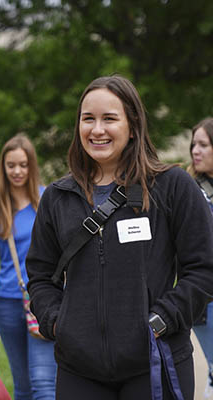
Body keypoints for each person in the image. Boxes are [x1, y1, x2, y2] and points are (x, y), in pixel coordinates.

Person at [26, 75, 213, 399]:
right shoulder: (58, 197)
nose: (97, 130)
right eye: (88, 119)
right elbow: (41, 276)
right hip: (79, 369)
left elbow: (204, 268)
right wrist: (59, 324)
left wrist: (163, 319)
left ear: (133, 124)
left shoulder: (173, 187)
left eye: (109, 119)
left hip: (156, 361)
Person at [0, 134, 57, 400]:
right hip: (8, 302)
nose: (17, 171)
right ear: (3, 168)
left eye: (23, 165)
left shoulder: (47, 198)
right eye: (11, 165)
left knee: (44, 383)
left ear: (31, 166)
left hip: (43, 300)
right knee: (23, 385)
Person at [188, 117, 213, 399]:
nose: (196, 150)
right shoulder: (190, 191)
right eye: (194, 144)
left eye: (204, 145)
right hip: (204, 298)